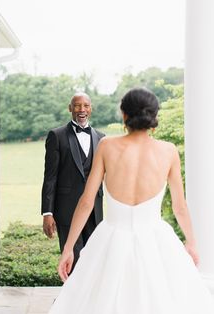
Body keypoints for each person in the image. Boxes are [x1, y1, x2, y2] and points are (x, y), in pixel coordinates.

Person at [48, 87, 214, 314]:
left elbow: (87, 202)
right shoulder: (168, 151)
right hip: (156, 240)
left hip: (110, 238)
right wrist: (192, 243)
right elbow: (180, 207)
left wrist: (68, 248)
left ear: (124, 115)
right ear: (154, 116)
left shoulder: (107, 146)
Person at [41, 92, 104, 268]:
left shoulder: (102, 138)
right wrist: (47, 213)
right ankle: (72, 295)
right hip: (66, 210)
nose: (81, 109)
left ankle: (89, 296)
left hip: (94, 212)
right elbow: (50, 177)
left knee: (93, 260)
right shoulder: (57, 135)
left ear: (91, 109)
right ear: (70, 108)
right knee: (72, 260)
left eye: (86, 105)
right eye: (77, 105)